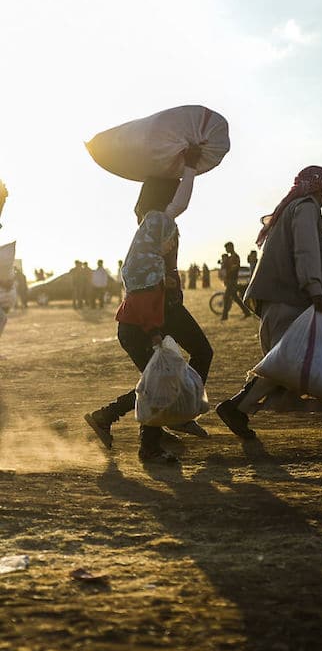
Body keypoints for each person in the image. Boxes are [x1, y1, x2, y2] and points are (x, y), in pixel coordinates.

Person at [216, 164, 322, 438]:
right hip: (293, 300)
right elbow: (306, 250)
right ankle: (237, 407)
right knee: (290, 364)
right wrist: (315, 290)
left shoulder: (291, 209)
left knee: (305, 359)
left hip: (288, 299)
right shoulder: (306, 207)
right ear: (319, 187)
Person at [84, 144, 213, 464]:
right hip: (152, 316)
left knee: (160, 379)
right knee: (163, 380)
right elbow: (180, 203)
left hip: (152, 314)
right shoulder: (156, 222)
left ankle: (116, 419)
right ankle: (150, 439)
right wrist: (190, 166)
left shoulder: (147, 234)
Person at [221, 241, 252, 320]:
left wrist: (229, 268)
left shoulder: (235, 257)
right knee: (235, 298)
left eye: (227, 248)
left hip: (232, 280)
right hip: (230, 280)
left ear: (231, 247)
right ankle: (246, 312)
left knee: (226, 297)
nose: (226, 250)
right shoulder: (230, 257)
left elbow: (234, 268)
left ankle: (224, 316)